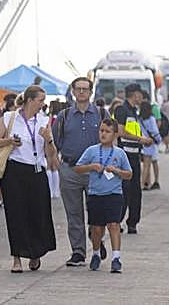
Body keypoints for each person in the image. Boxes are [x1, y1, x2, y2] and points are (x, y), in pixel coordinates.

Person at [0, 85, 58, 272]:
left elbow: (51, 154)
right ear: (29, 100)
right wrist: (9, 141)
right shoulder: (10, 117)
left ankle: (35, 253)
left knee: (38, 213)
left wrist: (49, 139)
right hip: (14, 171)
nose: (43, 104)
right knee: (15, 214)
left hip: (37, 171)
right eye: (40, 100)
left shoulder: (44, 121)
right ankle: (17, 258)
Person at [54, 76, 105, 266]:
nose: (82, 92)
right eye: (78, 89)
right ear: (73, 92)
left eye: (85, 89)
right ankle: (78, 252)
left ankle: (98, 243)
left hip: (95, 171)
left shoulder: (101, 114)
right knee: (74, 213)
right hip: (71, 169)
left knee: (97, 212)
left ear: (91, 92)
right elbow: (55, 142)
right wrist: (55, 163)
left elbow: (110, 139)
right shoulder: (64, 116)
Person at [74, 119, 131, 273]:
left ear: (114, 134)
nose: (103, 134)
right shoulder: (91, 151)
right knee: (97, 228)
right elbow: (78, 168)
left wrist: (117, 171)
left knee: (114, 224)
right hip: (95, 194)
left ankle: (116, 258)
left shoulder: (120, 153)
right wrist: (91, 166)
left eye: (107, 131)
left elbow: (129, 174)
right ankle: (96, 253)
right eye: (101, 130)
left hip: (114, 194)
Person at [111, 84, 149, 234]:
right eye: (140, 94)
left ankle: (132, 222)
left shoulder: (134, 111)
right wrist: (141, 139)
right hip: (124, 154)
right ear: (135, 94)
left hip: (135, 155)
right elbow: (120, 131)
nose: (142, 97)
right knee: (124, 190)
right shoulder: (122, 109)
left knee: (135, 191)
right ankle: (118, 220)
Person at [139, 101, 162, 191]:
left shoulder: (139, 119)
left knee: (145, 165)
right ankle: (142, 184)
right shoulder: (151, 119)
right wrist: (159, 140)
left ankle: (146, 183)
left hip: (143, 143)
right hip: (150, 143)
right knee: (148, 165)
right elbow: (155, 131)